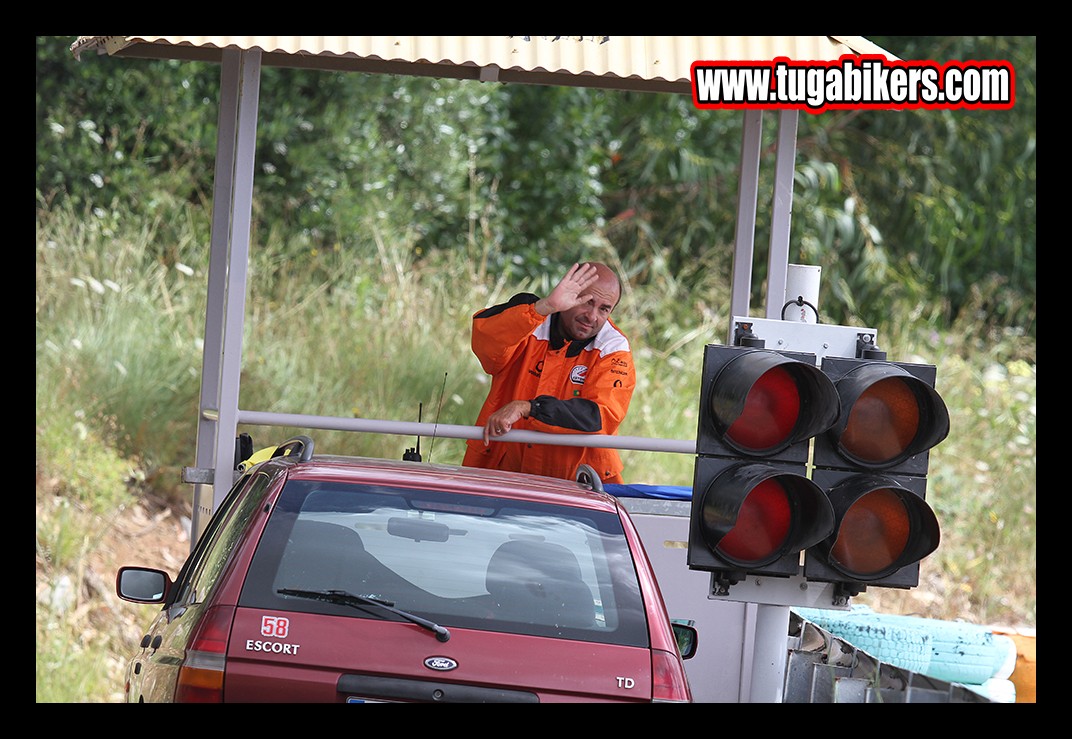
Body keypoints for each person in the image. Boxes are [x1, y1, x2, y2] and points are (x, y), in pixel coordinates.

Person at [462, 261, 637, 484]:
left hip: (578, 484)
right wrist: (546, 306)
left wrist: (529, 408)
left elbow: (599, 417)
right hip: (502, 472)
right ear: (567, 292)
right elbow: (486, 344)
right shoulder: (528, 316)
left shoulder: (614, 348)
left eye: (604, 309)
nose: (592, 316)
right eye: (586, 302)